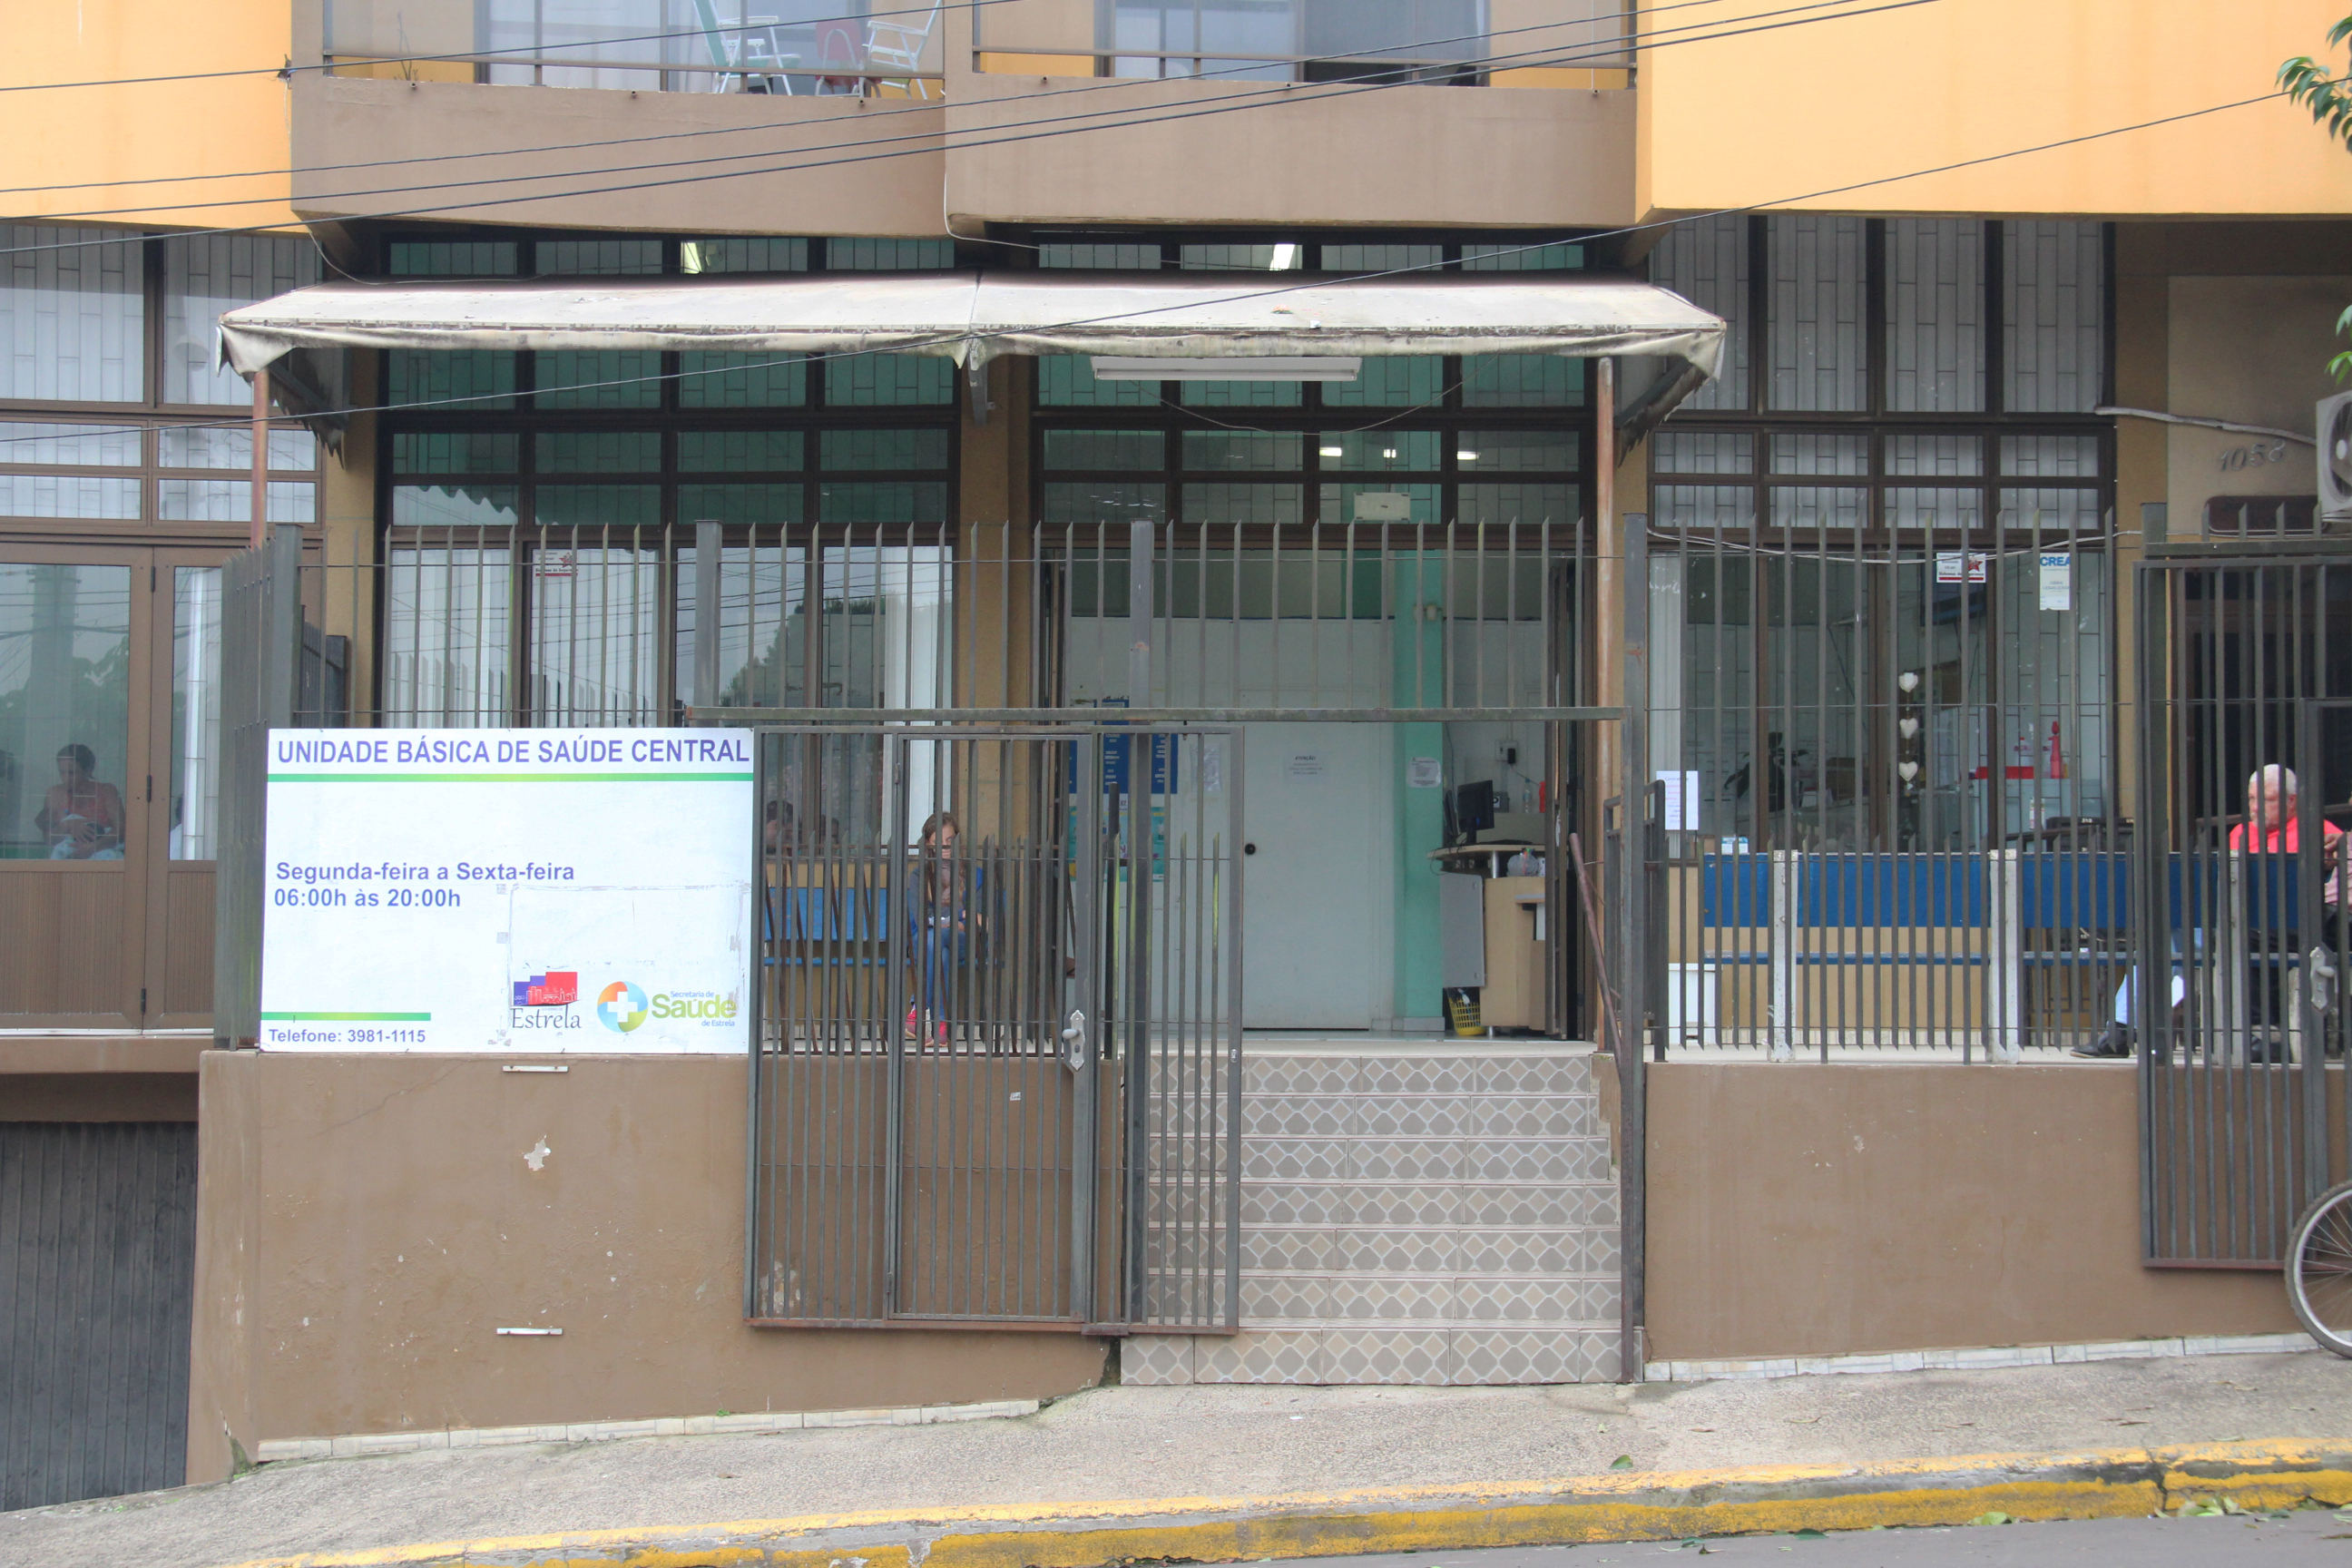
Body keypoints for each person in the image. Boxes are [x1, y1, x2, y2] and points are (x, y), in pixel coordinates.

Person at [907, 810, 967, 1044]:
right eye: (937, 842)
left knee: (933, 940)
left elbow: (979, 920)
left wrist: (954, 921)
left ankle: (918, 1010)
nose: (944, 847)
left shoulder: (973, 874)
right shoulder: (919, 875)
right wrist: (957, 918)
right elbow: (921, 918)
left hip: (962, 941)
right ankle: (941, 1025)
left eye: (949, 840)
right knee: (938, 949)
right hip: (928, 939)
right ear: (928, 845)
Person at [36, 744, 124, 861]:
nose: (66, 778)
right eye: (62, 772)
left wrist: (92, 848)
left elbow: (121, 831)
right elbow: (48, 839)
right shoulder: (55, 793)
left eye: (72, 772)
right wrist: (67, 826)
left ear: (88, 770)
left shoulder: (106, 791)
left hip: (103, 858)